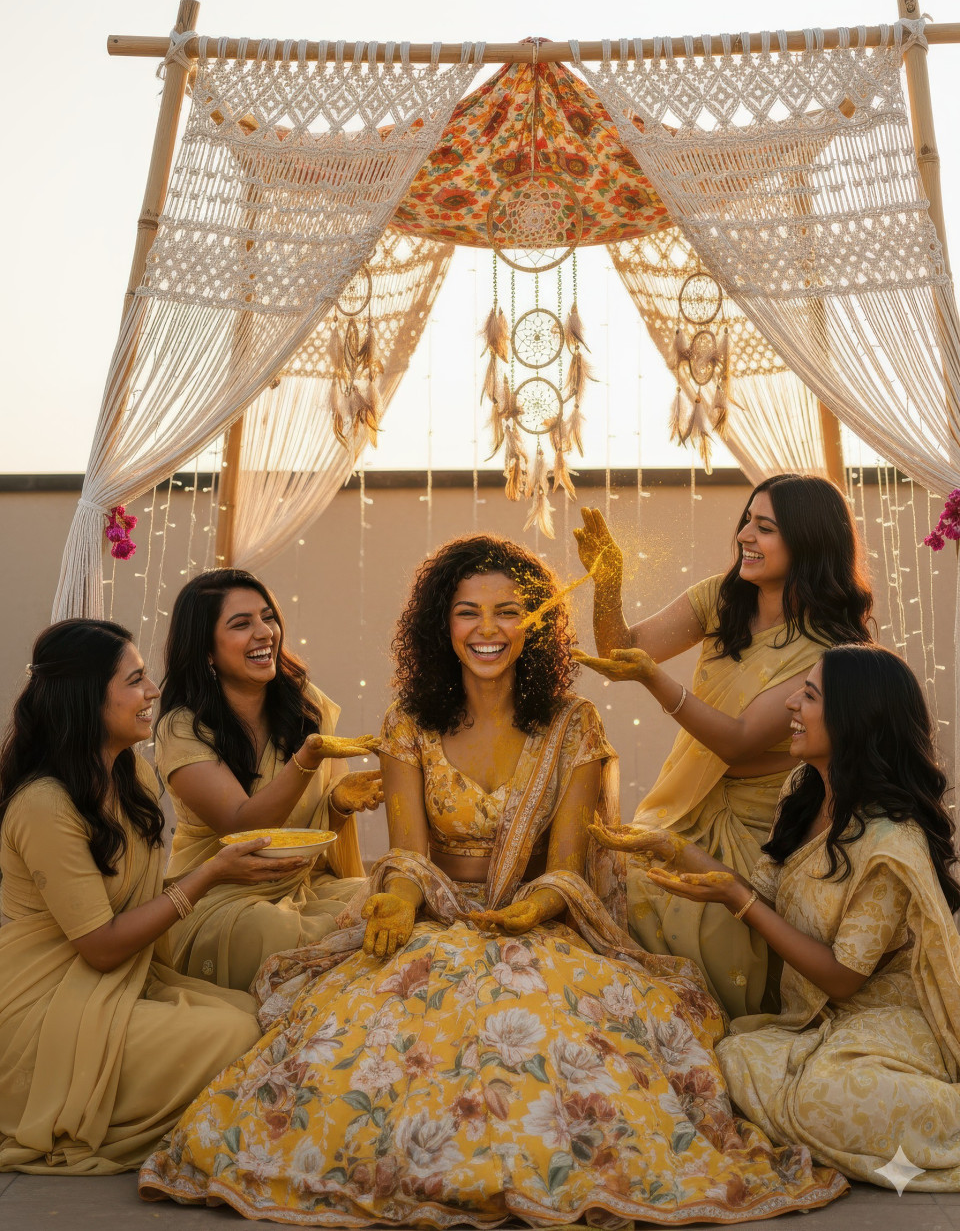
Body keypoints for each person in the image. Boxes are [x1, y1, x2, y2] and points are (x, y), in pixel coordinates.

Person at [139, 536, 846, 1225]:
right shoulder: (409, 722)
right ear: (440, 626)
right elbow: (410, 853)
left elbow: (568, 866)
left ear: (535, 622)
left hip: (539, 922)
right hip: (434, 918)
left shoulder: (574, 723)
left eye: (508, 610)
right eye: (467, 612)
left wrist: (531, 908)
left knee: (550, 1035)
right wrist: (397, 898)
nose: (488, 629)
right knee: (375, 1040)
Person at [593, 644, 960, 1189]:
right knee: (732, 1060)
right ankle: (868, 1144)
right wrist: (673, 851)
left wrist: (733, 899)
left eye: (809, 695)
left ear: (852, 719)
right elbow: (759, 890)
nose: (791, 702)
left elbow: (842, 977)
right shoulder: (803, 790)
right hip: (814, 1023)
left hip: (886, 1026)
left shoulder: (890, 843)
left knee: (818, 1096)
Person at [573, 474, 873, 1017]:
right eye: (745, 522)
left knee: (693, 918)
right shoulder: (722, 598)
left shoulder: (834, 649)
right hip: (688, 809)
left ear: (808, 540)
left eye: (765, 527)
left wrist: (655, 681)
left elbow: (737, 743)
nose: (744, 538)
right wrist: (608, 581)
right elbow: (622, 653)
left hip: (764, 828)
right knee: (609, 884)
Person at [0, 620, 283, 1174]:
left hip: (119, 982)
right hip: (49, 1004)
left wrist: (223, 875)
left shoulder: (135, 778)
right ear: (87, 699)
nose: (153, 692)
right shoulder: (44, 805)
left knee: (258, 1014)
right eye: (135, 680)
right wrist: (208, 878)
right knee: (234, 1035)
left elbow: (144, 906)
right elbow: (101, 947)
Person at [155, 569, 383, 991]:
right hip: (220, 893)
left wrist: (339, 804)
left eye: (268, 617)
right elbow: (244, 826)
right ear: (206, 650)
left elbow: (308, 837)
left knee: (384, 902)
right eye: (241, 624)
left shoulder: (306, 704)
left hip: (306, 883)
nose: (265, 633)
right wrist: (308, 757)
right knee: (276, 933)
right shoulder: (183, 728)